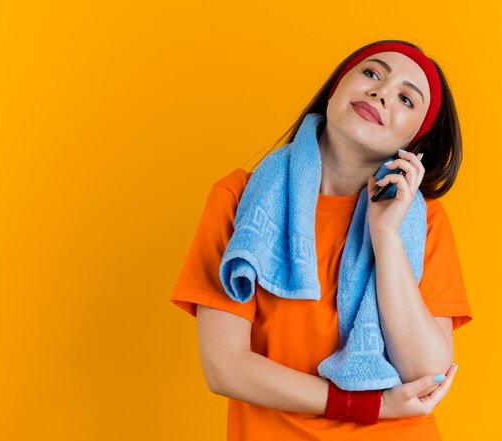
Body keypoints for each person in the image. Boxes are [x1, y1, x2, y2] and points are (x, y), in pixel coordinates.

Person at [171, 39, 473, 440]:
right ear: (336, 87)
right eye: (371, 73)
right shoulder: (239, 201)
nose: (381, 93)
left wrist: (385, 236)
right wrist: (366, 405)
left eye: (405, 98)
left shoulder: (424, 222)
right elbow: (225, 367)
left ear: (416, 140)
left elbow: (427, 375)